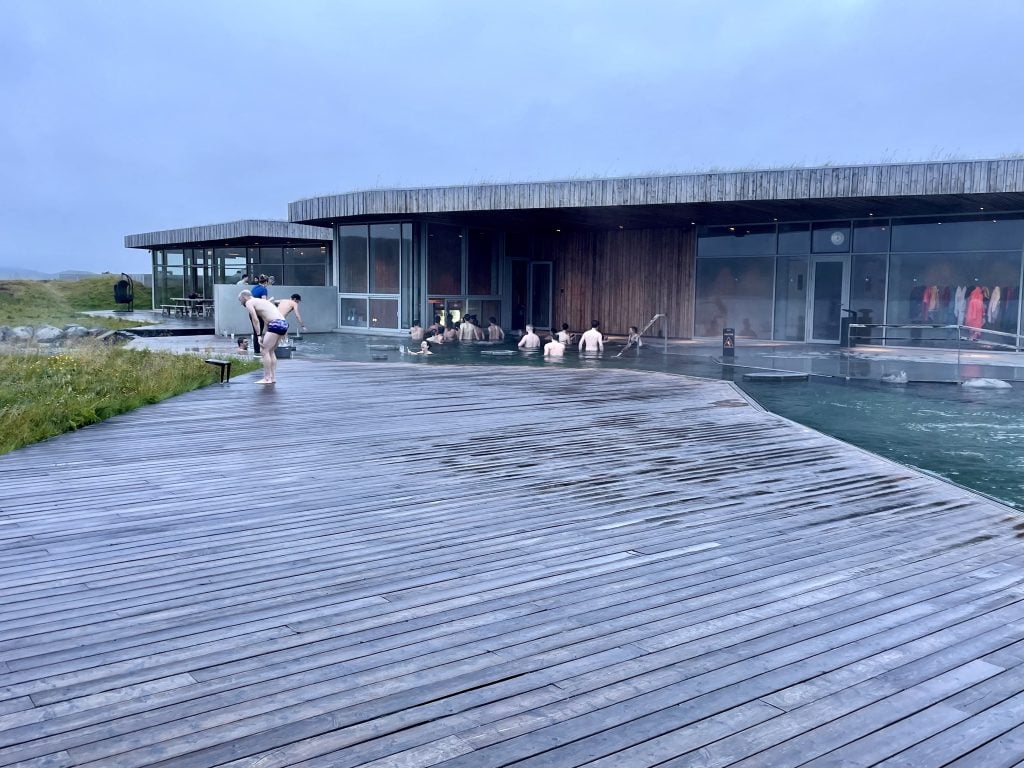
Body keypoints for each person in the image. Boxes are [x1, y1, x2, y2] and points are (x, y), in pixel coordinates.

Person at [238, 289, 287, 384]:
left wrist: (259, 335)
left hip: (275, 323)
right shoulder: (262, 301)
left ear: (244, 297)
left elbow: (255, 320)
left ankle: (267, 378)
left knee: (264, 351)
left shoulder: (249, 302)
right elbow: (267, 319)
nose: (241, 303)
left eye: (241, 300)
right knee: (271, 351)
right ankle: (273, 378)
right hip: (283, 323)